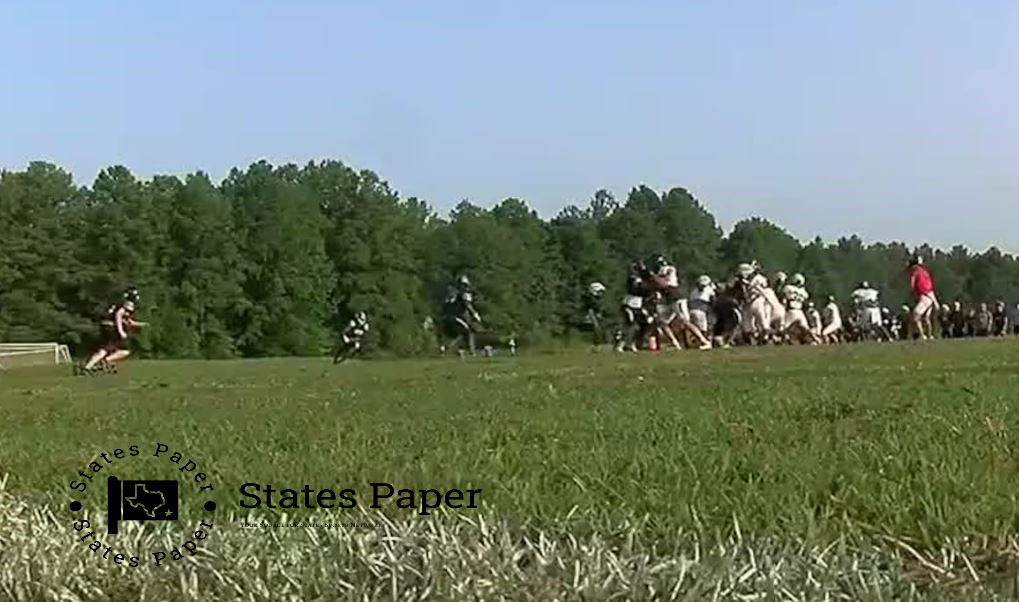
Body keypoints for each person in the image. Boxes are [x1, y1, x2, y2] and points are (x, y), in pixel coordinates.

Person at [76, 287, 147, 375]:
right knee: (125, 350)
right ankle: (106, 361)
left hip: (105, 326)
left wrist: (142, 324)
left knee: (104, 349)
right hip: (112, 328)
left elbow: (128, 321)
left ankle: (88, 367)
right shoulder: (127, 304)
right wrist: (121, 331)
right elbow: (119, 315)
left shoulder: (118, 303)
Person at [441, 275, 482, 357]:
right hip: (458, 316)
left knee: (457, 334)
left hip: (448, 316)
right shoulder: (464, 293)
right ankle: (472, 352)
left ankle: (448, 348)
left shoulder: (453, 292)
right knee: (469, 332)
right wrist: (474, 313)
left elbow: (445, 304)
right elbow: (467, 304)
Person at [780, 273, 821, 345]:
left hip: (792, 311)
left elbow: (784, 299)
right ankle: (817, 339)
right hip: (800, 312)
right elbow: (805, 300)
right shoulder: (803, 292)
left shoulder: (788, 288)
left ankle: (781, 341)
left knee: (783, 328)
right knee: (806, 328)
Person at [906, 256, 938, 340]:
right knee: (926, 318)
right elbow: (930, 288)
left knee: (915, 316)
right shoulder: (925, 272)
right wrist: (935, 301)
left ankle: (922, 335)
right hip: (930, 296)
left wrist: (911, 293)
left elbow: (912, 285)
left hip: (924, 297)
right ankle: (930, 335)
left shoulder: (915, 272)